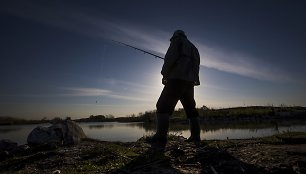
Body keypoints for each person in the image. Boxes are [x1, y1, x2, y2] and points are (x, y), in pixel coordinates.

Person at [150, 30, 201, 143]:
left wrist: (165, 74)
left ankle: (160, 137)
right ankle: (196, 137)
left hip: (176, 79)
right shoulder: (194, 48)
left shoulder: (177, 41)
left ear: (175, 36)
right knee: (191, 109)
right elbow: (197, 65)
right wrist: (194, 79)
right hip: (190, 81)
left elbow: (170, 58)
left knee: (162, 106)